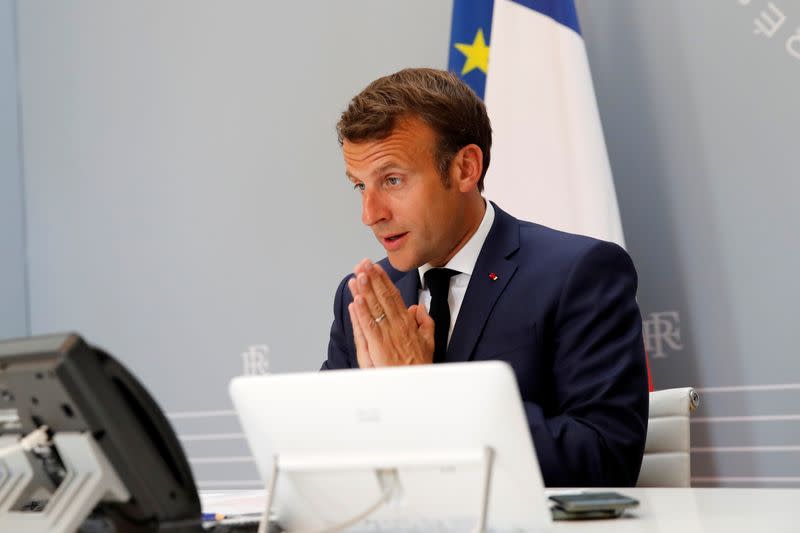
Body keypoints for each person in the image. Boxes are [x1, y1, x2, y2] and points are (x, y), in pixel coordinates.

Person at [321, 68, 649, 487]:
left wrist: (425, 395)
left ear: (465, 168)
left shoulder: (579, 273)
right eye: (359, 186)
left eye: (392, 180)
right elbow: (329, 456)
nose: (370, 214)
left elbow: (605, 458)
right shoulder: (366, 301)